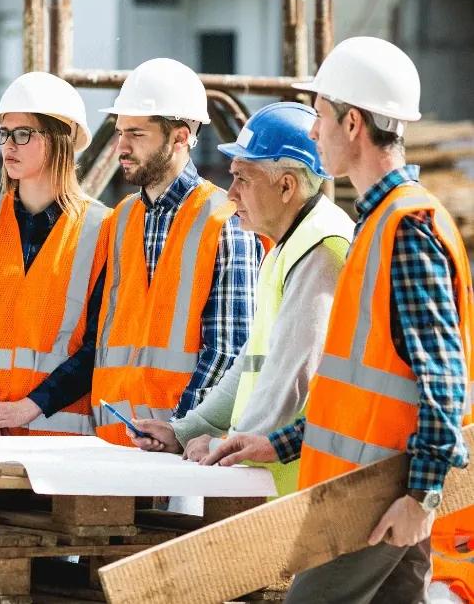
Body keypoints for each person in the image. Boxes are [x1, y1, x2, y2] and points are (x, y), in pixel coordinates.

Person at [205, 37, 473, 603]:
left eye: (320, 116)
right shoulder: (378, 225)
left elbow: (444, 379)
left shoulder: (406, 229)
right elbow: (360, 391)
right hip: (367, 486)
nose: (313, 131)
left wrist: (421, 498)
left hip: (376, 495)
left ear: (353, 124)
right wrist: (279, 443)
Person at [126, 102, 353, 496]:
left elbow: (291, 380)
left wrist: (226, 445)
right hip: (282, 484)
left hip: (308, 491)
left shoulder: (320, 248)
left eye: (243, 180)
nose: (230, 195)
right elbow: (251, 366)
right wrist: (187, 431)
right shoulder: (289, 245)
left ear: (286, 186)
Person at [90, 58, 262, 445]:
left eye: (136, 133)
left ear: (180, 137)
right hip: (112, 442)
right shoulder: (121, 219)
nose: (122, 146)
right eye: (120, 132)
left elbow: (229, 350)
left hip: (185, 450)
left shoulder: (225, 220)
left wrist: (180, 429)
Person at [0, 71, 108, 435]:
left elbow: (99, 346)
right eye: (3, 133)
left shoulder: (103, 229)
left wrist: (29, 408)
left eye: (23, 134)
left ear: (60, 139)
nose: (8, 146)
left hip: (59, 445)